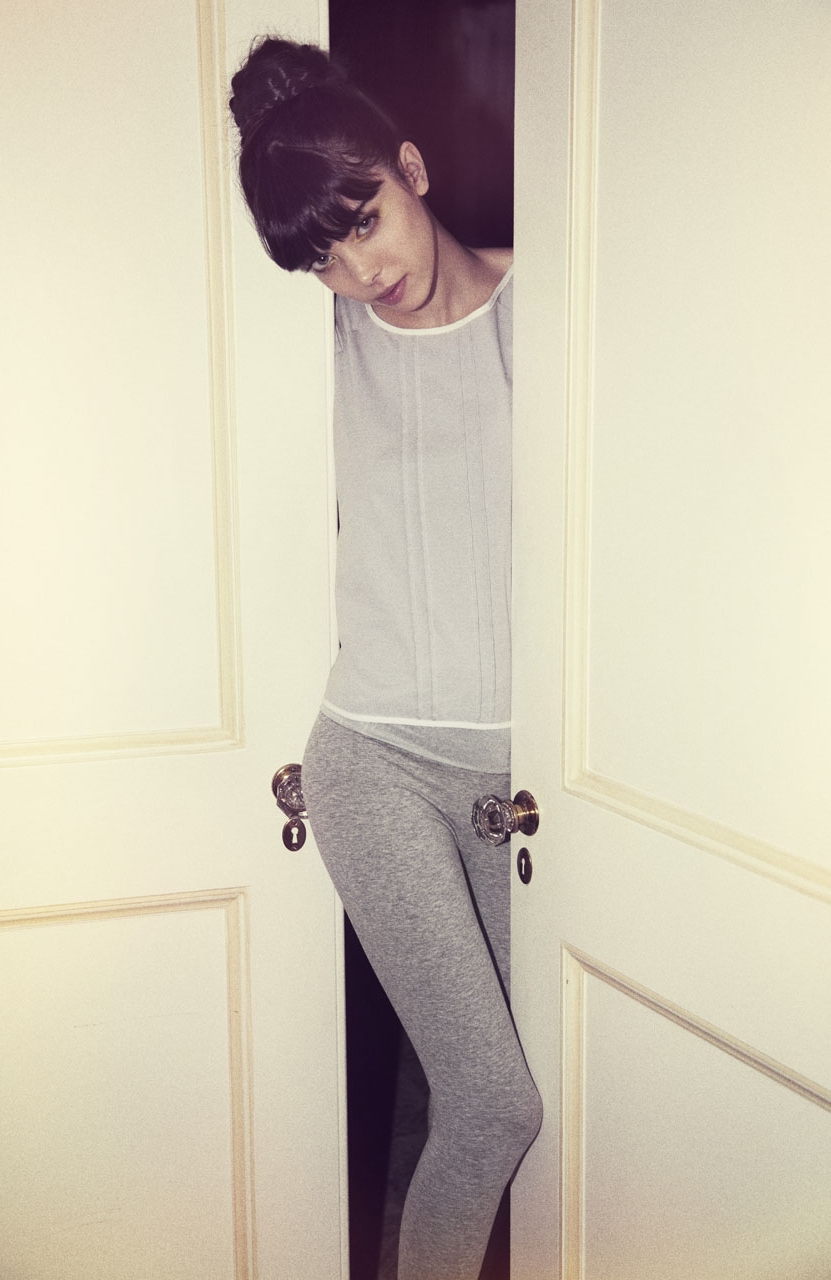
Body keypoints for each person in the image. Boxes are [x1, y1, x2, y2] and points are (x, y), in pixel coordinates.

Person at [230, 37, 542, 1280]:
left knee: (540, 1088)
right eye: (324, 258)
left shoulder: (555, 305)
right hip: (375, 763)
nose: (360, 271)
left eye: (364, 221)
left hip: (526, 781)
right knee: (494, 1102)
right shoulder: (321, 349)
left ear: (411, 169)